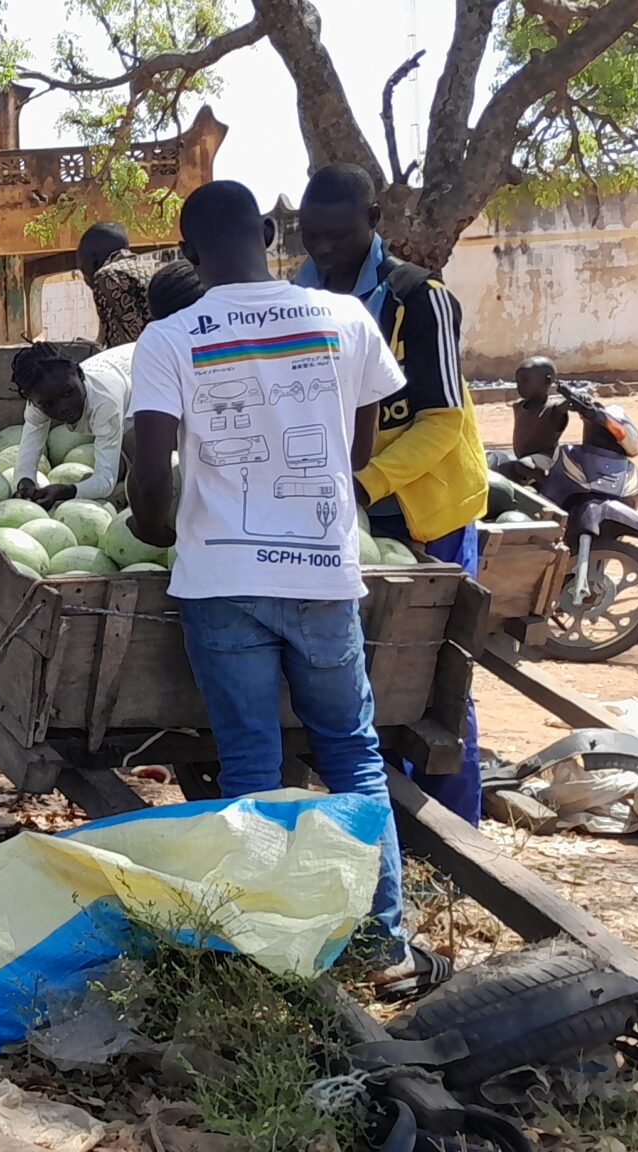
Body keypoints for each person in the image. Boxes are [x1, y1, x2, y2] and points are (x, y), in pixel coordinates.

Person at [127, 179, 434, 992]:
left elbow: (148, 483)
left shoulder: (170, 336)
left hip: (220, 582)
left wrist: (165, 533)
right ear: (269, 231)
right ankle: (384, 944)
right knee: (352, 756)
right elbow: (361, 448)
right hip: (325, 576)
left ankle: (264, 952)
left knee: (251, 760)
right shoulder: (346, 319)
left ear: (189, 255)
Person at [295, 163, 490, 826]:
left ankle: (457, 829)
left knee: (434, 682)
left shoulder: (418, 298)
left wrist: (362, 484)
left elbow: (442, 423)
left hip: (422, 510)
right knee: (367, 679)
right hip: (347, 516)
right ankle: (395, 827)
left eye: (337, 234)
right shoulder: (301, 294)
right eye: (310, 234)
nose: (322, 248)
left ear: (374, 224)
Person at [8, 341, 130, 507]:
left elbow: (105, 480)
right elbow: (27, 457)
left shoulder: (105, 404)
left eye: (68, 393)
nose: (63, 408)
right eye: (49, 404)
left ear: (80, 374)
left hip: (163, 375)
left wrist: (66, 491)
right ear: (33, 402)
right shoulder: (40, 402)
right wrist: (25, 483)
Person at [81, 221, 164, 348]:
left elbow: (121, 342)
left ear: (93, 260)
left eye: (83, 269)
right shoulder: (143, 268)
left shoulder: (107, 276)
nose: (85, 280)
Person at [499, 356, 571, 483]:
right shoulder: (520, 406)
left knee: (523, 466)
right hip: (523, 458)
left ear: (547, 381)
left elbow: (561, 408)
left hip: (544, 459)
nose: (520, 386)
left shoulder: (551, 409)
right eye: (518, 382)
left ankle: (550, 483)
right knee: (499, 468)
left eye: (525, 380)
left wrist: (572, 400)